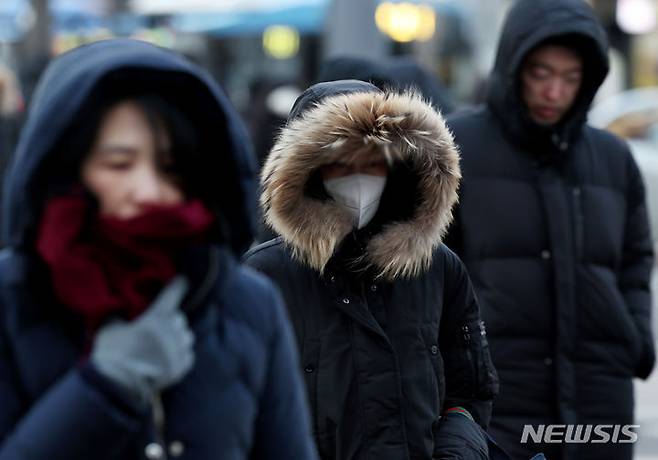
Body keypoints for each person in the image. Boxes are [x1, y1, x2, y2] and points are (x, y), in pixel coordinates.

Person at [0, 38, 317, 459]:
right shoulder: (11, 298)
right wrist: (102, 389)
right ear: (68, 169)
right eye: (119, 164)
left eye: (170, 167)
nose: (148, 191)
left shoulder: (247, 302)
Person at [243, 79, 500, 459]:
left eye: (372, 162)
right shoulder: (266, 276)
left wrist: (455, 453)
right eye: (341, 164)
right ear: (310, 171)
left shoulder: (436, 267)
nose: (359, 178)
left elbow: (469, 392)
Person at [444, 1, 655, 458]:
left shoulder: (613, 158)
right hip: (498, 393)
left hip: (601, 392)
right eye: (541, 73)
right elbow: (432, 266)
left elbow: (637, 259)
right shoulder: (456, 148)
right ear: (513, 65)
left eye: (570, 77)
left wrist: (636, 337)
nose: (554, 91)